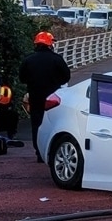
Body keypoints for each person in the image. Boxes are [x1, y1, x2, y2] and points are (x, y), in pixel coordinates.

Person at [19, 31, 71, 164]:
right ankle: (52, 151)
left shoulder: (28, 59)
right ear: (50, 44)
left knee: (36, 124)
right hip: (53, 98)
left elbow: (22, 78)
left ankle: (39, 152)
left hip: (35, 97)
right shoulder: (56, 59)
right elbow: (66, 77)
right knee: (54, 123)